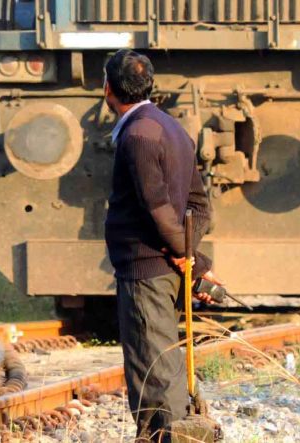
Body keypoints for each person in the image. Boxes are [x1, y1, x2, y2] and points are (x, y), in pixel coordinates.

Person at [104, 49, 222, 442]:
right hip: (165, 268)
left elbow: (156, 208)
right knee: (164, 361)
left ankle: (165, 437)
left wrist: (189, 257)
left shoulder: (138, 135)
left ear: (108, 89)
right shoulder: (172, 128)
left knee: (153, 369)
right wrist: (191, 256)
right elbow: (199, 206)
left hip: (146, 269)